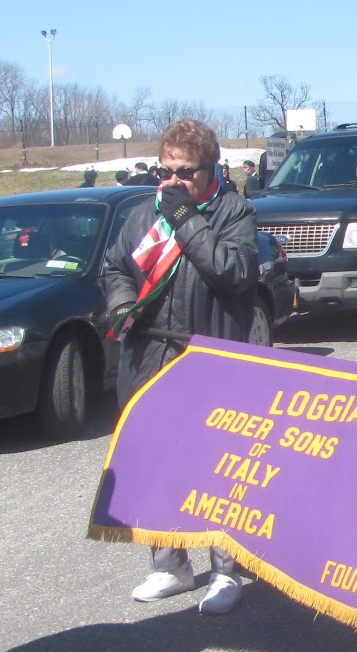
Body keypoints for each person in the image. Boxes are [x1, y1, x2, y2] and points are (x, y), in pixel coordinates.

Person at [102, 119, 259, 610]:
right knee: (156, 465)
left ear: (209, 169)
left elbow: (232, 273)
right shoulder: (140, 216)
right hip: (149, 355)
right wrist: (121, 303)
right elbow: (115, 267)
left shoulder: (233, 211)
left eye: (184, 173)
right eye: (163, 172)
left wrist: (187, 218)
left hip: (207, 354)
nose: (170, 183)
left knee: (215, 467)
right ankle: (169, 565)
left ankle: (225, 571)